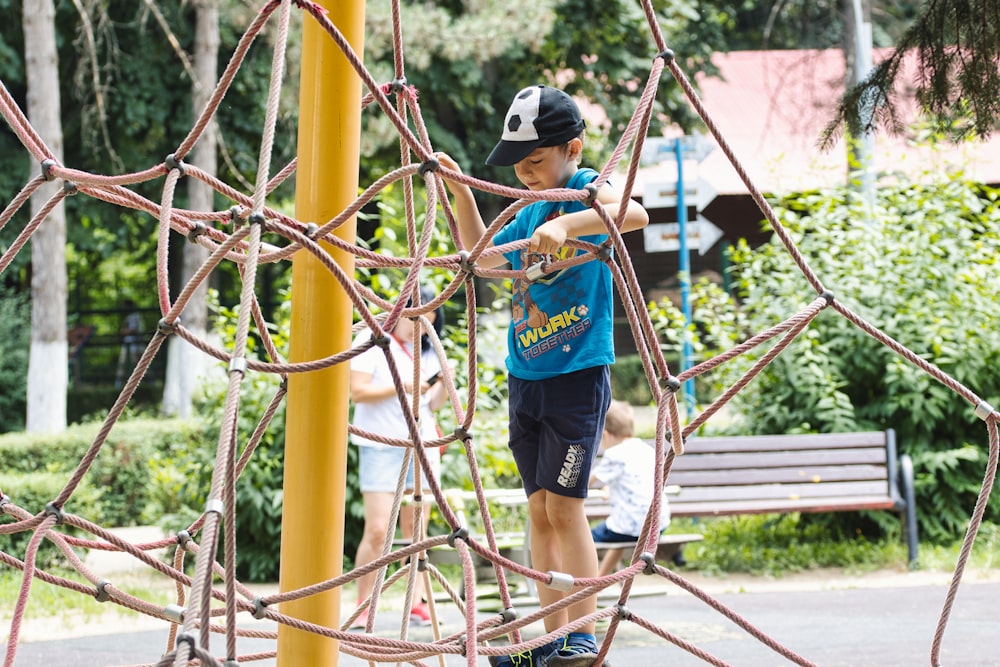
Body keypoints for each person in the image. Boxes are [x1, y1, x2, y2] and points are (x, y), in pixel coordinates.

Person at [437, 84, 649, 667]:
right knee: (537, 512)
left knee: (565, 508)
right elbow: (481, 259)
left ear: (572, 148)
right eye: (518, 164)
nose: (526, 173)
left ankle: (584, 629)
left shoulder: (586, 192)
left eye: (535, 160)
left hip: (576, 375)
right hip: (526, 375)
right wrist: (459, 190)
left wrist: (574, 225)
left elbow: (634, 211)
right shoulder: (527, 212)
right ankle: (546, 639)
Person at [349, 286, 447, 630]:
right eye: (413, 316)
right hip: (380, 445)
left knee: (416, 528)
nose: (418, 324)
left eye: (427, 318)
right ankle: (363, 603)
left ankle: (417, 601)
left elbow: (431, 405)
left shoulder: (431, 353)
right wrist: (403, 385)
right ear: (398, 313)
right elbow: (357, 392)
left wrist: (442, 388)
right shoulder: (373, 344)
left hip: (421, 444)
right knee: (377, 529)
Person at [589, 400, 670, 577]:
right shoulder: (646, 450)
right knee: (617, 530)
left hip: (628, 528)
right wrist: (609, 488)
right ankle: (601, 579)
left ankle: (585, 580)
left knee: (583, 538)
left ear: (606, 435)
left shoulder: (614, 454)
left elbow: (586, 483)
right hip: (658, 525)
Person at [114, 300, 143, 388]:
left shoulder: (135, 316)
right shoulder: (130, 317)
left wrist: (125, 331)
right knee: (123, 363)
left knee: (138, 363)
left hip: (135, 343)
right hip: (129, 343)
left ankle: (146, 383)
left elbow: (131, 330)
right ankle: (118, 384)